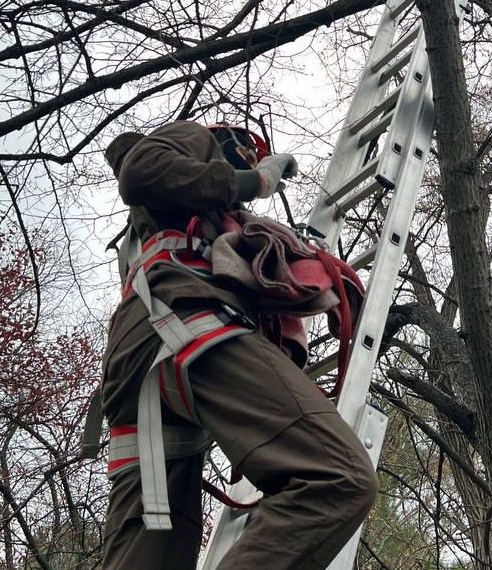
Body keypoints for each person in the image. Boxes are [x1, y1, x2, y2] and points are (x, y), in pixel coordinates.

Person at [99, 120, 378, 569]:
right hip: (184, 324)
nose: (249, 162)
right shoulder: (189, 140)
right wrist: (257, 180)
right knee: (336, 477)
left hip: (140, 361)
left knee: (148, 546)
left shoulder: (156, 229)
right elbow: (142, 169)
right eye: (247, 151)